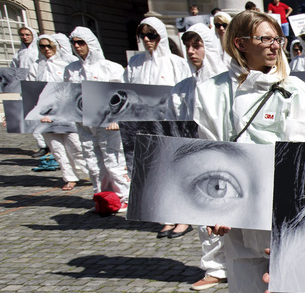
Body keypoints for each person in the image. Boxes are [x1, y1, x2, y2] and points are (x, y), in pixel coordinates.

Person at [193, 10, 305, 293]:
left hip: (279, 204)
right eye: (265, 39)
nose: (274, 45)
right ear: (240, 44)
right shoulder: (211, 92)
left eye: (276, 39)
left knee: (290, 280)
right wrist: (216, 207)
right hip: (234, 207)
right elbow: (208, 152)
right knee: (246, 281)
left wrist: (298, 206)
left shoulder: (292, 89)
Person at [168, 24, 230, 290]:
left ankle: (238, 264)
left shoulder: (228, 83)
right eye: (188, 47)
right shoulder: (181, 88)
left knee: (231, 216)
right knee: (202, 215)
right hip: (195, 158)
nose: (192, 52)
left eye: (198, 45)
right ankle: (215, 267)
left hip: (226, 157)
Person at [125, 17, 195, 236]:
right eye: (143, 35)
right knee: (155, 171)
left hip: (170, 123)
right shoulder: (135, 62)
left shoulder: (176, 62)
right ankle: (166, 216)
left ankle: (184, 217)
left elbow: (185, 92)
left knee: (177, 170)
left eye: (151, 35)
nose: (147, 40)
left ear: (161, 36)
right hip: (144, 124)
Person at [64, 27, 130, 209]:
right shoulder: (71, 69)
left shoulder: (111, 67)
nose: (77, 46)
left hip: (108, 124)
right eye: (74, 43)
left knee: (114, 161)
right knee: (93, 162)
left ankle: (124, 197)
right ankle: (103, 197)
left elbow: (121, 97)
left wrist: (116, 119)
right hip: (84, 123)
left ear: (90, 44)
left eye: (81, 42)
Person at [29, 34, 87, 190]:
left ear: (56, 46)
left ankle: (90, 172)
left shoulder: (67, 64)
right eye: (42, 46)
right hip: (46, 112)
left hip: (66, 110)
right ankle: (70, 177)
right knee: (56, 147)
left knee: (75, 144)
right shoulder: (36, 66)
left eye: (49, 45)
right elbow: (31, 91)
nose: (46, 49)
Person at [11, 26, 48, 158]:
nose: (25, 37)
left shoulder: (38, 51)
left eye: (27, 34)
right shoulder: (18, 54)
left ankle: (51, 144)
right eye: (22, 35)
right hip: (25, 88)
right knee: (32, 118)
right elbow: (14, 71)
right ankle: (42, 145)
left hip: (39, 85)